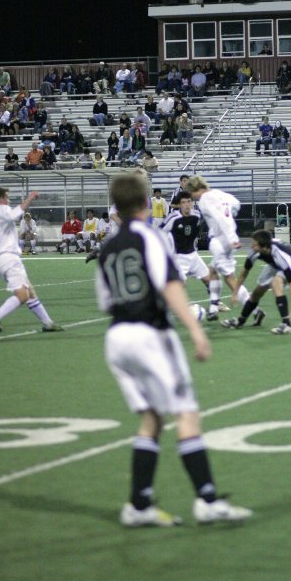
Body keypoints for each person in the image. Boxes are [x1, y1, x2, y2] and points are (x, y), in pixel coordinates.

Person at [95, 172, 252, 526]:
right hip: (150, 335)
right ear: (146, 201)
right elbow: (171, 287)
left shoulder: (107, 247)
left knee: (151, 419)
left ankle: (138, 506)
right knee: (186, 414)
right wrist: (196, 329)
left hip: (117, 338)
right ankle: (207, 500)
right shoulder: (149, 237)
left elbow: (106, 301)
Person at [0, 187, 63, 332]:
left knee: (29, 291)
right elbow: (15, 213)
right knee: (23, 295)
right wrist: (30, 198)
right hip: (10, 258)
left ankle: (47, 323)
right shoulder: (3, 209)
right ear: (1, 198)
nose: (9, 200)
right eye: (8, 197)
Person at [186, 175, 257, 322]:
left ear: (196, 189)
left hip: (220, 239)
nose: (193, 198)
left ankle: (254, 310)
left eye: (192, 194)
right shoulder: (221, 194)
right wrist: (231, 221)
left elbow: (220, 218)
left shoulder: (205, 199)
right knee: (216, 272)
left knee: (227, 278)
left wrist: (231, 238)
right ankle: (213, 309)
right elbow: (236, 204)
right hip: (229, 239)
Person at [221, 229, 291, 335]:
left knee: (276, 282)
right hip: (274, 264)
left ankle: (287, 324)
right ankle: (241, 320)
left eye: (254, 245)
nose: (251, 246)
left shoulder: (279, 254)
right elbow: (243, 274)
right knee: (257, 292)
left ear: (264, 247)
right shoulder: (255, 252)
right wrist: (235, 293)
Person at [160, 191, 231, 314]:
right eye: (183, 202)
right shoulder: (173, 218)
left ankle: (216, 303)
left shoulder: (197, 215)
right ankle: (168, 307)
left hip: (193, 255)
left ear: (192, 203)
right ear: (179, 205)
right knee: (179, 284)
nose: (187, 204)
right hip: (178, 257)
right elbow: (159, 232)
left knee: (209, 279)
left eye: (189, 201)